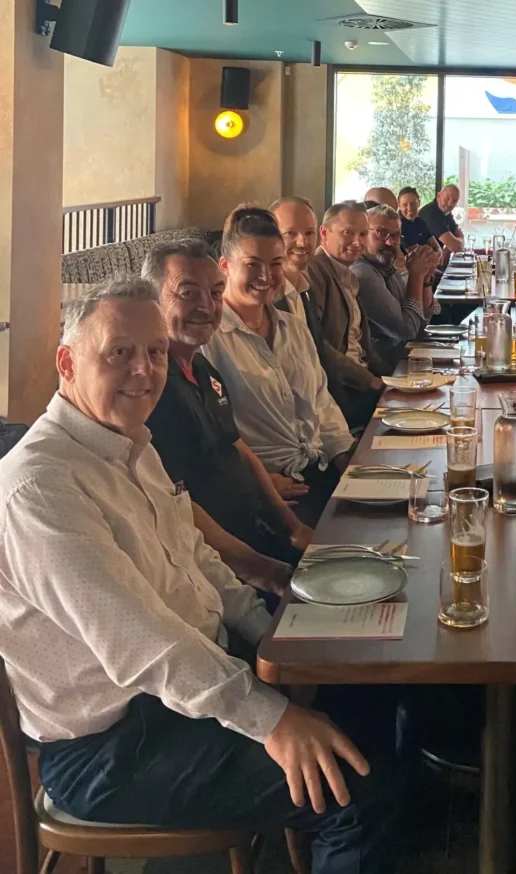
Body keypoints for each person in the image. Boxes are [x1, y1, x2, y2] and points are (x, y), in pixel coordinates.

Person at [0, 277, 396, 874]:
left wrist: (265, 618)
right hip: (114, 746)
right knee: (350, 789)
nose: (145, 370)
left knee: (364, 683)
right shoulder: (40, 487)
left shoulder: (130, 441)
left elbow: (194, 559)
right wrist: (274, 719)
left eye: (156, 352)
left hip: (182, 690)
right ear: (66, 361)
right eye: (120, 352)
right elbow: (141, 644)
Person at [143, 241, 312, 588]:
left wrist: (292, 525)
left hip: (258, 530)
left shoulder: (202, 368)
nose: (206, 305)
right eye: (187, 293)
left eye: (216, 292)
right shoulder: (151, 390)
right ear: (152, 299)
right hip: (218, 565)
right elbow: (177, 503)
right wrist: (262, 569)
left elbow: (238, 446)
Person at [203, 206, 355, 527]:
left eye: (275, 265)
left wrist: (348, 457)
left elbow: (321, 402)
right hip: (271, 491)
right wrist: (258, 481)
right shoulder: (210, 339)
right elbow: (212, 433)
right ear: (225, 267)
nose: (265, 276)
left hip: (321, 472)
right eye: (252, 265)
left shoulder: (292, 327)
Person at [298, 200, 387, 430]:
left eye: (363, 234)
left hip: (363, 382)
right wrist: (372, 382)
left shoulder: (348, 275)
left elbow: (360, 342)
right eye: (348, 233)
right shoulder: (314, 272)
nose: (357, 242)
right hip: (342, 392)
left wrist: (393, 377)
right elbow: (318, 346)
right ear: (324, 233)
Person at [351, 204, 442, 369]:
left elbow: (422, 323)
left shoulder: (385, 266)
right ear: (362, 235)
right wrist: (415, 276)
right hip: (382, 372)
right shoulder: (362, 274)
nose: (390, 242)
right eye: (381, 233)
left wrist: (425, 278)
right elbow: (407, 331)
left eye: (395, 235)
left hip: (404, 361)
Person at [268, 195, 322, 346]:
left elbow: (319, 353)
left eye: (309, 233)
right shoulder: (264, 296)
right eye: (290, 233)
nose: (302, 242)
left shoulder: (307, 290)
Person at [419, 183, 464, 253]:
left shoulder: (446, 212)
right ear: (438, 196)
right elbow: (456, 247)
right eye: (448, 198)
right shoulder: (431, 214)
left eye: (454, 201)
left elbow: (455, 236)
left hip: (432, 258)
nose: (450, 203)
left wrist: (448, 249)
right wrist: (460, 239)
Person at [398, 186, 442, 253]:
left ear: (419, 203)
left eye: (413, 204)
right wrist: (431, 250)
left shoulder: (420, 222)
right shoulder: (399, 226)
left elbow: (437, 248)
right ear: (399, 206)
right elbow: (415, 255)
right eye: (405, 205)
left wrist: (436, 253)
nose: (409, 208)